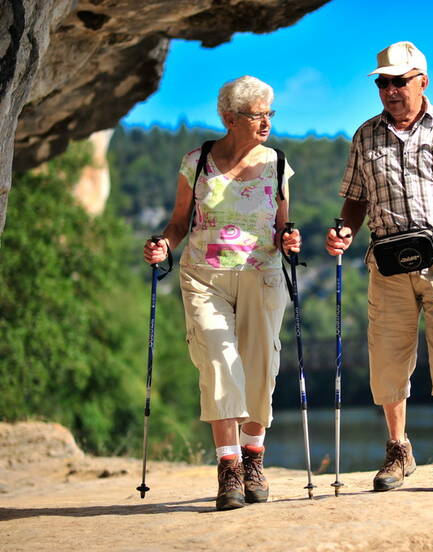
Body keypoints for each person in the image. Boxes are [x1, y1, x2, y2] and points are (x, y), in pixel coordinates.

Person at [325, 41, 433, 492]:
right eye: (383, 82)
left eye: (399, 81)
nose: (390, 90)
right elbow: (356, 199)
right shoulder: (365, 135)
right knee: (387, 358)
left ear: (422, 81)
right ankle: (398, 450)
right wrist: (343, 229)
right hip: (387, 262)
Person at [143, 75, 301, 510]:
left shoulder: (278, 163)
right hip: (204, 276)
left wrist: (289, 238)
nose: (266, 122)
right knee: (217, 361)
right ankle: (229, 468)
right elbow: (178, 221)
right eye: (256, 115)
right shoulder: (196, 161)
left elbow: (281, 222)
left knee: (260, 366)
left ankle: (253, 457)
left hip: (261, 275)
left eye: (270, 113)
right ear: (229, 118)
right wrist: (163, 244)